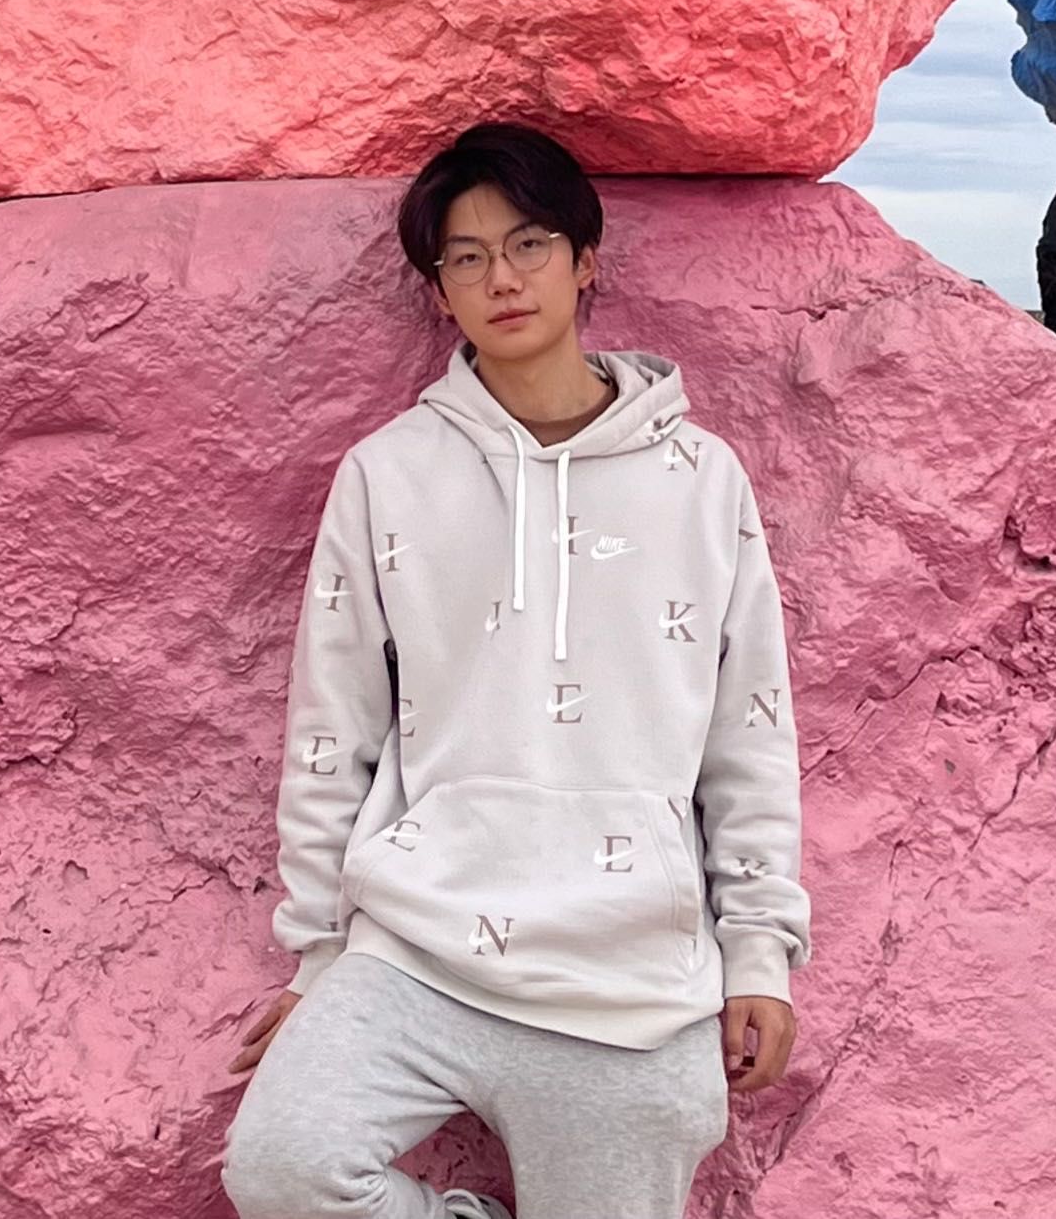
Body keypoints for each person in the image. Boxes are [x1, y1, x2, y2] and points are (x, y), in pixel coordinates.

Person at [219, 122, 812, 1219]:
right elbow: (332, 729)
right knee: (283, 1167)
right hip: (417, 950)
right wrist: (317, 958)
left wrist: (758, 953)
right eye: (467, 256)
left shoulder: (701, 478)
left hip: (632, 983)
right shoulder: (387, 474)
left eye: (529, 243)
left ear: (584, 260)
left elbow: (750, 732)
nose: (501, 278)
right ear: (438, 287)